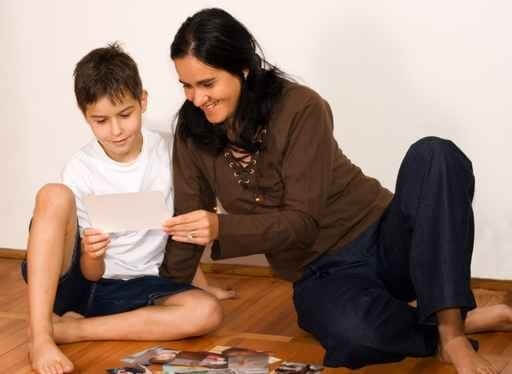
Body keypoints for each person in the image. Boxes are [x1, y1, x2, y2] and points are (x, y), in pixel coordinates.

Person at [161, 8, 512, 374]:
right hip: (318, 272)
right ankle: (448, 322)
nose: (196, 99)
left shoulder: (300, 106)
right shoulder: (191, 134)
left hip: (384, 240)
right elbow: (186, 226)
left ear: (243, 70)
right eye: (186, 85)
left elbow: (302, 222)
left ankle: (452, 334)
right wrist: (163, 295)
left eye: (207, 83)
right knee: (356, 336)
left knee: (435, 154)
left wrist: (220, 227)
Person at [23, 43, 229, 374]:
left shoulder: (168, 152)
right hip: (85, 282)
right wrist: (93, 254)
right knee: (53, 194)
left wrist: (200, 283)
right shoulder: (81, 168)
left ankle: (69, 330)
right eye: (101, 121)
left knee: (207, 312)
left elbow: (177, 225)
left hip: (141, 287)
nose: (116, 131)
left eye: (125, 115)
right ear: (85, 116)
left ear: (142, 101)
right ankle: (41, 336)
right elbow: (92, 272)